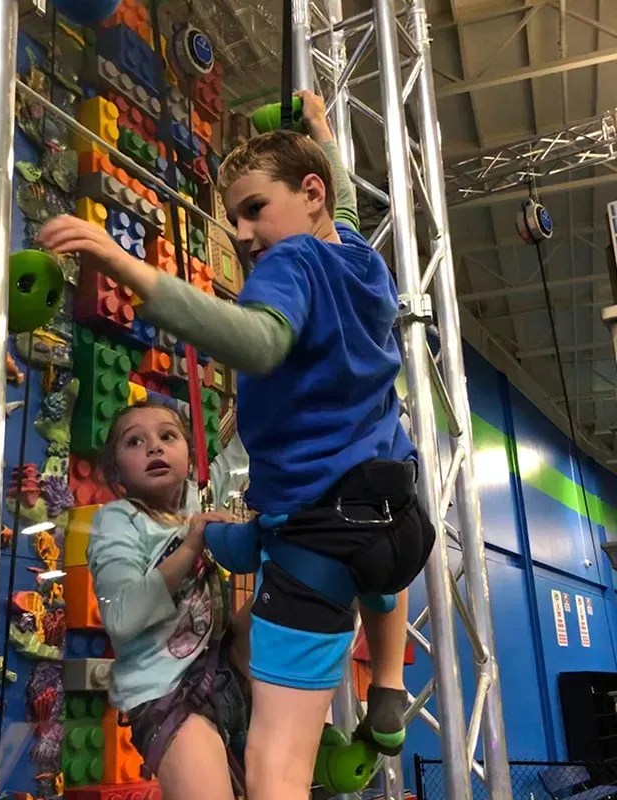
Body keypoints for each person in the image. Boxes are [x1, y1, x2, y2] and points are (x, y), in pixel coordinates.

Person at [40, 91, 435, 800]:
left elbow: (257, 341)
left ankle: (382, 684)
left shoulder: (289, 269)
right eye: (235, 220)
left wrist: (127, 269)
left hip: (320, 543)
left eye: (255, 209)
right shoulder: (361, 264)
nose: (247, 235)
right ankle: (389, 681)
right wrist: (318, 131)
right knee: (373, 575)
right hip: (399, 520)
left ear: (306, 195)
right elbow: (340, 203)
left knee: (275, 771)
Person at [86, 400, 249, 800]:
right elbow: (121, 617)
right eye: (135, 442)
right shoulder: (119, 521)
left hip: (224, 663)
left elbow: (241, 454)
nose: (154, 447)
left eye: (167, 436)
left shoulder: (201, 496)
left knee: (296, 589)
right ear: (116, 470)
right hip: (165, 694)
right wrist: (192, 544)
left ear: (190, 457)